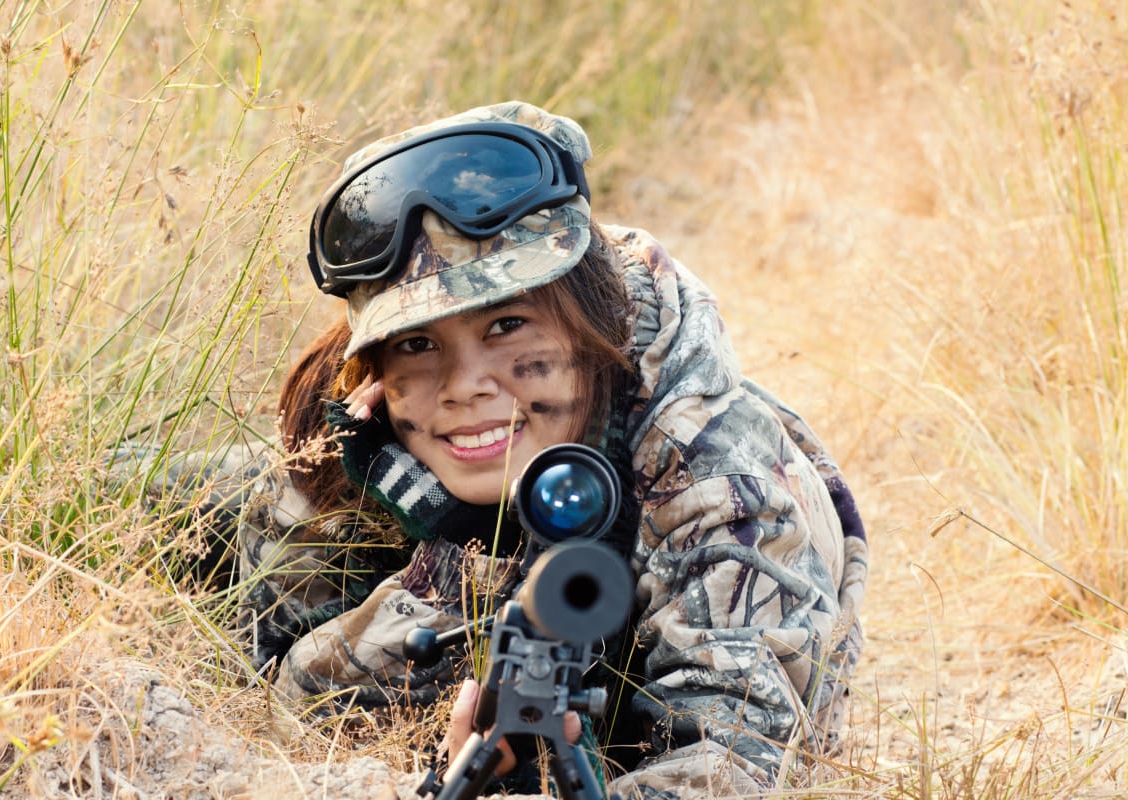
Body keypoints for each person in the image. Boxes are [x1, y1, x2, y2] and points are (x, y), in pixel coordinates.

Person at [233, 101, 867, 798]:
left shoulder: (718, 475)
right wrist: (457, 553)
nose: (464, 386)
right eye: (417, 344)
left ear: (593, 326)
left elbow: (734, 767)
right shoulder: (364, 432)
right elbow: (268, 691)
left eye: (507, 324)